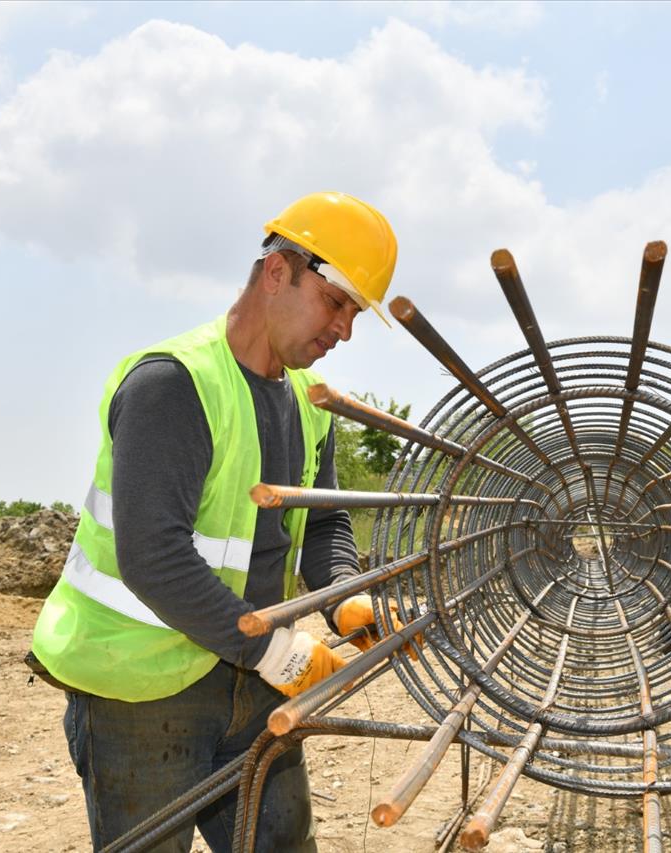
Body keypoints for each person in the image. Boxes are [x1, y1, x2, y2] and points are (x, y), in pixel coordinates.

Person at [29, 191, 404, 852]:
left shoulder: (312, 407)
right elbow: (153, 555)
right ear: (279, 271)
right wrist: (276, 650)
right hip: (140, 688)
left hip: (251, 682)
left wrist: (350, 597)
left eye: (353, 315)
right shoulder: (174, 384)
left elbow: (324, 524)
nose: (344, 329)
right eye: (337, 301)